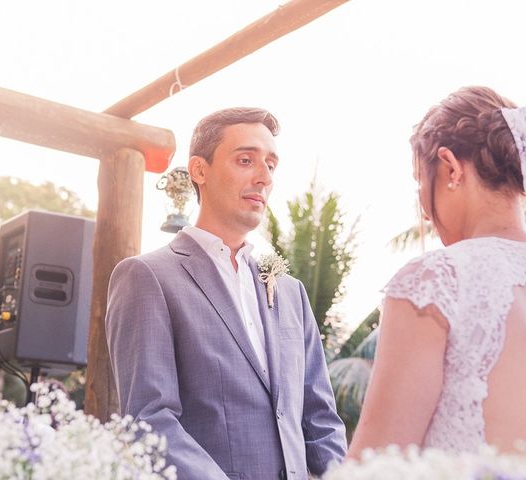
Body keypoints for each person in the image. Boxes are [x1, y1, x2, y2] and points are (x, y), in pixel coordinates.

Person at [106, 107, 347, 480]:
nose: (264, 177)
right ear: (199, 170)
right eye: (246, 160)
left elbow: (320, 420)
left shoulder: (290, 292)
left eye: (271, 164)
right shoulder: (148, 277)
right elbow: (148, 419)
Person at [348, 86, 526, 458]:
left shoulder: (434, 281)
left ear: (450, 167)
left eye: (421, 182)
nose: (423, 211)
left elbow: (377, 463)